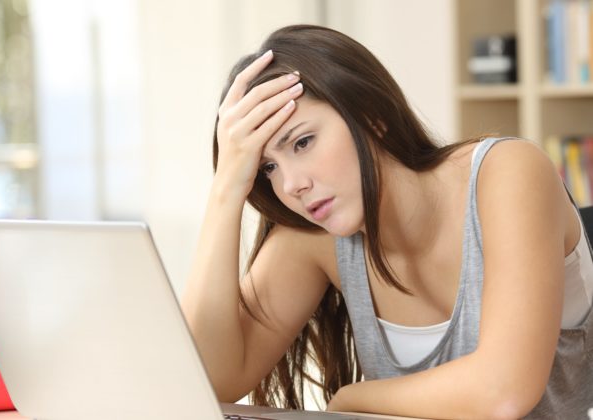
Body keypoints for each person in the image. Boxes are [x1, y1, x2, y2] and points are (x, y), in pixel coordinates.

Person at [181, 24, 593, 419]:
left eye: (303, 142)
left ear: (371, 116)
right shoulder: (317, 237)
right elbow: (211, 380)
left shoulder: (507, 173)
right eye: (267, 167)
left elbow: (503, 393)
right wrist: (225, 190)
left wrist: (352, 398)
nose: (292, 185)